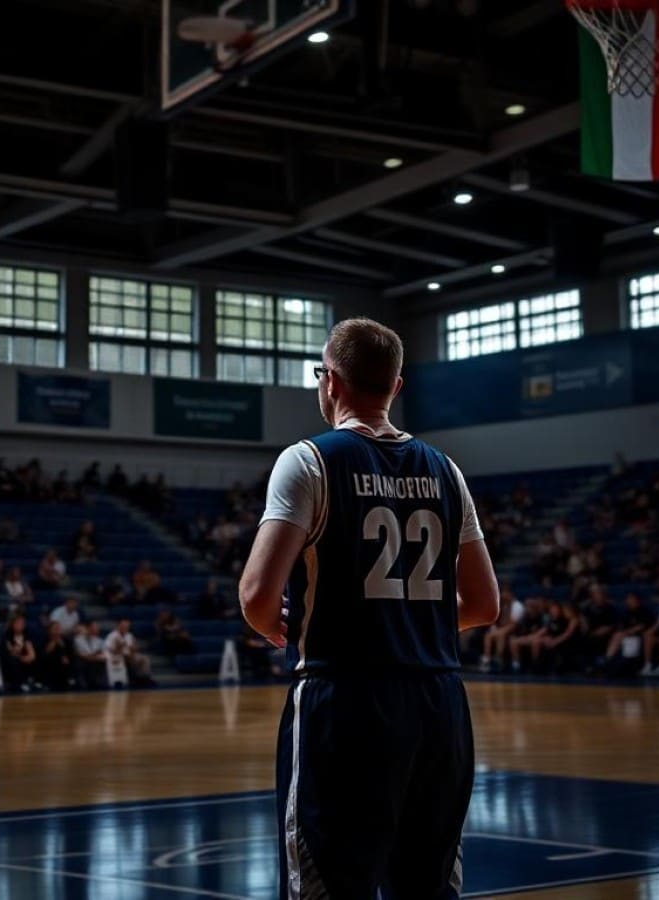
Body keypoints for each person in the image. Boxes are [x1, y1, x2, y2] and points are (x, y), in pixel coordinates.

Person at [237, 318, 498, 900]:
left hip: (345, 701)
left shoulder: (307, 461)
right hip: (439, 704)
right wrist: (404, 619)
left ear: (330, 381)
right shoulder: (446, 470)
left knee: (329, 887)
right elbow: (483, 604)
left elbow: (257, 597)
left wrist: (291, 623)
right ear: (396, 386)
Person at [0, 613, 39, 692]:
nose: (21, 625)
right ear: (12, 624)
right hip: (9, 659)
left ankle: (34, 682)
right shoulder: (7, 636)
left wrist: (30, 657)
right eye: (18, 623)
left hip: (22, 658)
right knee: (13, 661)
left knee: (37, 659)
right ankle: (16, 684)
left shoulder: (26, 635)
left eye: (23, 623)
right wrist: (21, 656)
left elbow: (30, 649)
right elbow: (11, 652)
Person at [73, 621, 107, 689]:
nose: (97, 629)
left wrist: (92, 656)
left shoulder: (99, 640)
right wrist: (94, 655)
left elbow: (103, 656)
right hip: (83, 663)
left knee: (101, 662)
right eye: (94, 627)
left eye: (97, 627)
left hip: (95, 663)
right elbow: (82, 655)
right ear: (88, 628)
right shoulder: (78, 640)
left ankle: (98, 683)